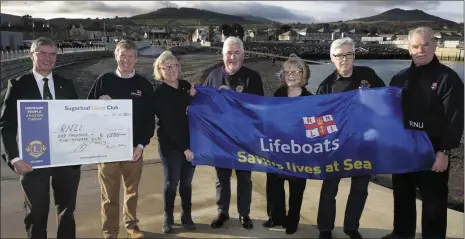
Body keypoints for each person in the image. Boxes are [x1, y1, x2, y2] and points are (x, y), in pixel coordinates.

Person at [382, 27, 464, 239]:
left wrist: (444, 151)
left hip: (433, 148)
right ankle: (401, 233)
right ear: (409, 49)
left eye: (426, 44)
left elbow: (455, 119)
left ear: (435, 45)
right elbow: (390, 114)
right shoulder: (399, 78)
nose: (421, 49)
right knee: (402, 195)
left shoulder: (448, 78)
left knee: (434, 201)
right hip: (403, 148)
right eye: (416, 45)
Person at [0, 37, 81, 239]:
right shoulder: (17, 85)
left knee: (67, 212)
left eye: (52, 54)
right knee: (36, 214)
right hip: (33, 159)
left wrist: (101, 105)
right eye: (42, 53)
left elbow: (79, 118)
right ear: (31, 55)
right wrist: (15, 158)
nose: (48, 58)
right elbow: (6, 125)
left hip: (66, 160)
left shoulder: (67, 84)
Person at [316, 37, 386, 239]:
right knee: (329, 190)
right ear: (332, 58)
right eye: (339, 55)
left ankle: (351, 227)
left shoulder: (368, 75)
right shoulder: (326, 86)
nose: (344, 59)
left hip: (364, 143)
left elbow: (385, 98)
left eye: (349, 54)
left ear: (354, 55)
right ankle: (325, 229)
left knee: (360, 188)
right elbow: (319, 119)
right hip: (336, 145)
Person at [87, 39, 155, 239]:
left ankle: (132, 226)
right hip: (107, 149)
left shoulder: (144, 85)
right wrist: (98, 104)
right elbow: (86, 112)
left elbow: (149, 121)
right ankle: (110, 231)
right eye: (122, 56)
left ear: (136, 59)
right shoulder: (104, 80)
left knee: (132, 191)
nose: (126, 60)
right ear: (116, 56)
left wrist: (141, 146)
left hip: (134, 149)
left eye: (130, 56)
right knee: (109, 194)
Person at [202, 36, 264, 229]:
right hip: (221, 139)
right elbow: (202, 104)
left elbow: (259, 107)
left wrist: (232, 96)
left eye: (237, 53)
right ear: (223, 55)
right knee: (222, 179)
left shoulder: (252, 77)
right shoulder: (212, 76)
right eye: (229, 53)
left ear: (243, 55)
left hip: (244, 139)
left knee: (244, 179)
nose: (233, 57)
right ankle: (222, 212)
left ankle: (244, 214)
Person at [262, 53, 311, 235]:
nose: (291, 75)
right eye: (287, 71)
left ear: (303, 74)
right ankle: (276, 217)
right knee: (274, 186)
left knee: (296, 189)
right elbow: (269, 118)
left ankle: (292, 220)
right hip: (278, 149)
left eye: (295, 71)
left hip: (299, 151)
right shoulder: (278, 93)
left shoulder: (309, 98)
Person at [152, 50, 197, 233]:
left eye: (174, 66)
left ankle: (186, 216)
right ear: (160, 70)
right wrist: (184, 148)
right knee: (172, 183)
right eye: (167, 67)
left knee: (186, 183)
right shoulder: (160, 94)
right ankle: (168, 217)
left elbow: (199, 106)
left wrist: (198, 94)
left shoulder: (186, 86)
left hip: (191, 143)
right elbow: (169, 125)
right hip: (171, 145)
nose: (172, 70)